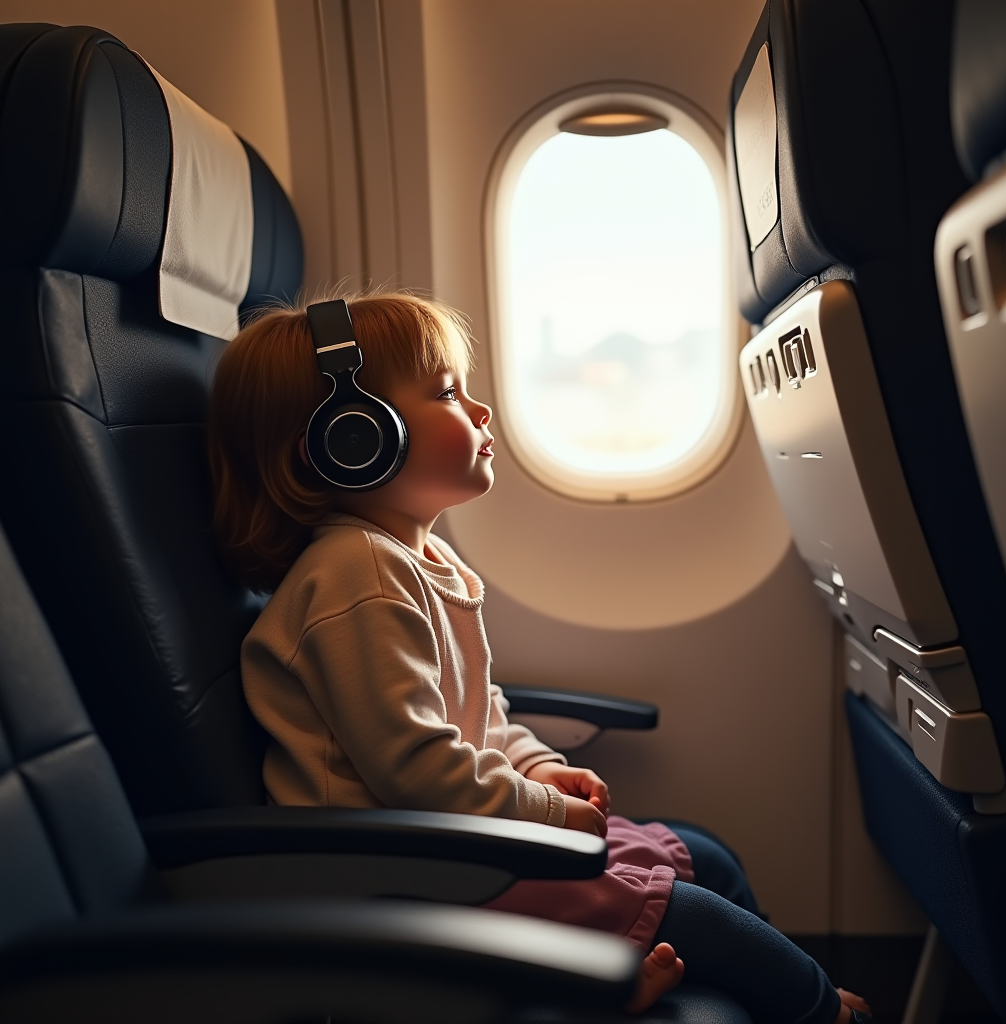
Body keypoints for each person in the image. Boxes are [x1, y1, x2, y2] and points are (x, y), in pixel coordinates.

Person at [208, 292, 870, 1021]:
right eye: (447, 393)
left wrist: (533, 766)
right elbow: (418, 770)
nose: (481, 411)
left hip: (452, 849)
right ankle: (824, 1013)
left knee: (703, 856)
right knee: (693, 912)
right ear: (353, 437)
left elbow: (478, 718)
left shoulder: (411, 560)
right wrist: (550, 815)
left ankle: (625, 982)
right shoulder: (354, 576)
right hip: (397, 877)